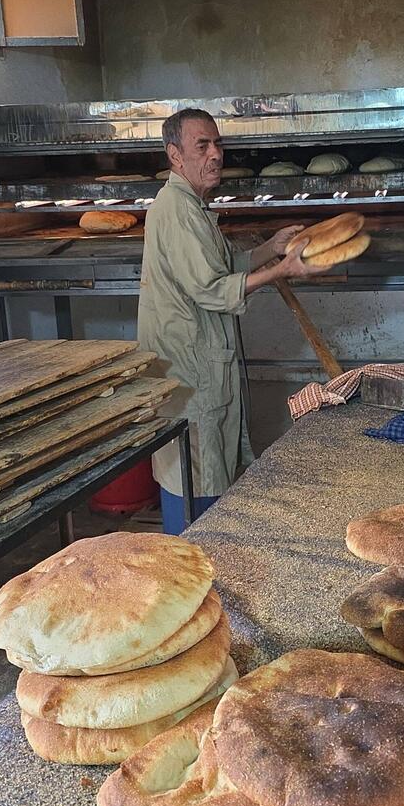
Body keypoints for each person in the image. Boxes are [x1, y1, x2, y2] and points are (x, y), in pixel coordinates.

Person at [137, 107, 312, 532]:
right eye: (203, 146)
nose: (215, 154)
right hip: (188, 366)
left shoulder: (191, 205)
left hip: (198, 361)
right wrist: (281, 271)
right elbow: (211, 289)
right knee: (196, 475)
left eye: (218, 144)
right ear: (175, 155)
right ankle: (195, 569)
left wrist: (270, 247)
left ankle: (205, 565)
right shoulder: (177, 209)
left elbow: (223, 264)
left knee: (206, 465)